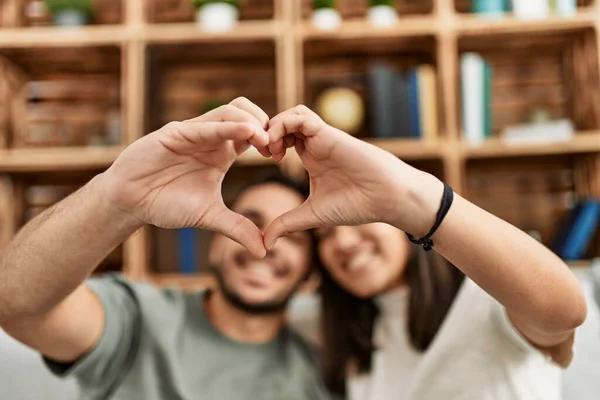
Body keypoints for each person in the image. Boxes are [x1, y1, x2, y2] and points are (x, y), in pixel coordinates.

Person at [0, 98, 334, 400]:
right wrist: (117, 198)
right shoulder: (137, 318)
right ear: (216, 243)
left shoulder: (320, 375)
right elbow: (15, 303)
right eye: (251, 221)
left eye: (291, 235)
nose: (265, 245)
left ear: (310, 265)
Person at [262, 106, 588, 400]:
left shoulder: (485, 297)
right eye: (324, 235)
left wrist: (414, 199)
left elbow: (563, 310)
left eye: (359, 220)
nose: (342, 243)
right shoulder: (337, 328)